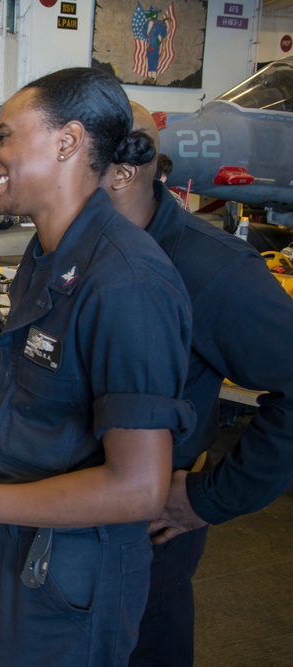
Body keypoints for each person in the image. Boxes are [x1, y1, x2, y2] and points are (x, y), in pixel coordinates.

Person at [0, 68, 195, 666]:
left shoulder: (126, 282)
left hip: (70, 577)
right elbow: (29, 404)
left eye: (5, 137)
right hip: (15, 547)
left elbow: (137, 487)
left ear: (67, 142)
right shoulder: (46, 254)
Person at [103, 102, 293, 667]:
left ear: (120, 168)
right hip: (68, 528)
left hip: (150, 534)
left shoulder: (214, 270)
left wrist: (212, 499)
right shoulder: (74, 252)